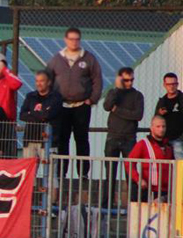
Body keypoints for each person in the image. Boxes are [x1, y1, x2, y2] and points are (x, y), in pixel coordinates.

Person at [45, 27, 103, 179]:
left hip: (81, 106)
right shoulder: (56, 59)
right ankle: (61, 173)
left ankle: (83, 173)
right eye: (71, 39)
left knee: (82, 139)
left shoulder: (89, 58)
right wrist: (51, 101)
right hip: (62, 107)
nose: (74, 42)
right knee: (62, 140)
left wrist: (92, 99)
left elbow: (97, 79)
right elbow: (47, 80)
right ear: (65, 40)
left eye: (77, 39)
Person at [103, 67, 144, 202]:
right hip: (113, 137)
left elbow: (137, 115)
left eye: (132, 80)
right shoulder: (113, 93)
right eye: (126, 80)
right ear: (120, 79)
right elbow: (107, 106)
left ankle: (132, 204)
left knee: (130, 173)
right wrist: (117, 89)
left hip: (129, 137)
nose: (130, 83)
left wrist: (118, 110)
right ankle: (107, 205)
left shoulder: (137, 95)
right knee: (110, 174)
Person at [125, 116, 174, 202]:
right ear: (151, 128)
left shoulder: (169, 146)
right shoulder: (143, 144)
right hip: (150, 191)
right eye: (158, 126)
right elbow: (129, 163)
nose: (161, 129)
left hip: (167, 191)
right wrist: (138, 179)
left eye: (163, 126)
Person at [19, 70, 62, 159]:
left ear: (49, 82)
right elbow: (22, 115)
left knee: (50, 171)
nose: (39, 84)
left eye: (42, 81)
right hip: (30, 139)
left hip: (48, 141)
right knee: (30, 171)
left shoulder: (56, 97)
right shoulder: (30, 96)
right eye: (37, 81)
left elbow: (48, 115)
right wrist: (41, 115)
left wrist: (31, 113)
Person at [155, 72, 182, 159]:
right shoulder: (162, 101)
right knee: (164, 166)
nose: (171, 86)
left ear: (177, 84)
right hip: (164, 139)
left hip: (179, 139)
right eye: (169, 84)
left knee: (179, 165)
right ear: (164, 85)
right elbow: (155, 119)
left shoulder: (181, 99)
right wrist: (159, 114)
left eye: (174, 84)